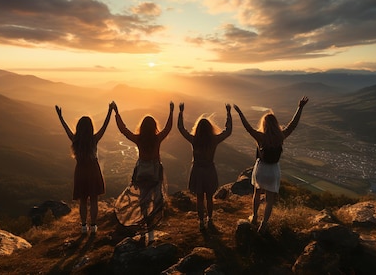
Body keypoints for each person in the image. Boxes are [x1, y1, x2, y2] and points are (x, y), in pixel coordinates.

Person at [234, 96, 309, 233]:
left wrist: (239, 113)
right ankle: (264, 224)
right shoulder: (281, 136)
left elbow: (248, 128)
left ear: (264, 124)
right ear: (275, 124)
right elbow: (293, 124)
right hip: (274, 170)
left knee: (257, 193)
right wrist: (300, 107)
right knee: (270, 199)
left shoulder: (260, 137)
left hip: (261, 169)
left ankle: (255, 216)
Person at [113, 101, 174, 244]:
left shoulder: (139, 139)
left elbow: (124, 130)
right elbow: (168, 128)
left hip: (141, 172)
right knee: (155, 198)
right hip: (154, 172)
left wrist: (117, 113)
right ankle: (150, 227)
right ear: (154, 127)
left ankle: (142, 224)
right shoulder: (157, 139)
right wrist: (171, 112)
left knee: (142, 199)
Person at [55, 103, 113, 235]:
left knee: (82, 201)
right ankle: (93, 226)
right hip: (93, 170)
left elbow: (66, 129)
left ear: (79, 128)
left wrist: (60, 117)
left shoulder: (75, 140)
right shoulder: (94, 139)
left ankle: (83, 227)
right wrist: (110, 111)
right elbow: (105, 125)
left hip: (80, 171)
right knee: (93, 200)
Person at [178, 103, 232, 231]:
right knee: (209, 197)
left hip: (197, 171)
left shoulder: (194, 139)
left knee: (199, 198)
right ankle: (210, 219)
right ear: (210, 128)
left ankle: (201, 221)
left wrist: (180, 113)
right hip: (209, 170)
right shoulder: (214, 140)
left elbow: (181, 128)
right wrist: (229, 113)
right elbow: (228, 131)